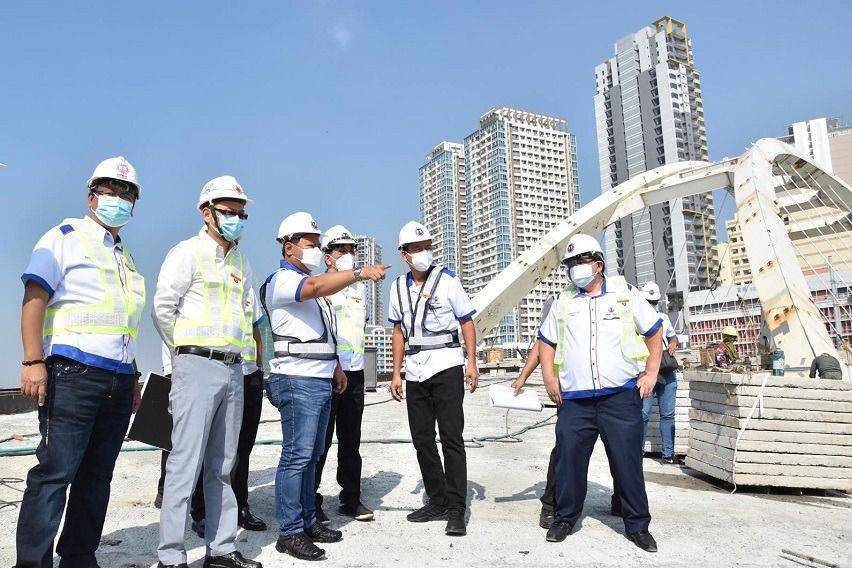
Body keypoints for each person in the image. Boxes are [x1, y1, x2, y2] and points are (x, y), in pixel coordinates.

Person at [16, 157, 146, 568]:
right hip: (72, 373)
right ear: (92, 196)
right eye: (111, 190)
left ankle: (78, 555)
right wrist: (33, 360)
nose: (119, 198)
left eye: (128, 193)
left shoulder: (125, 257)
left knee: (97, 477)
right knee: (54, 475)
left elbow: (124, 322)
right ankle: (33, 563)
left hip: (118, 377)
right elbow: (35, 298)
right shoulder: (63, 237)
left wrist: (134, 375)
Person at [262, 212, 389, 561]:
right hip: (296, 378)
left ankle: (307, 519)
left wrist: (336, 368)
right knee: (297, 456)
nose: (316, 249)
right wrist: (360, 272)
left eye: (318, 244)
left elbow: (323, 335)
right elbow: (316, 286)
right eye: (311, 244)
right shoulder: (283, 280)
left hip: (320, 378)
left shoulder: (314, 292)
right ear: (290, 248)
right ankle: (289, 531)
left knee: (313, 455)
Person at [152, 175, 261, 568]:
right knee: (185, 464)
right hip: (195, 365)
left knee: (222, 466)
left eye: (240, 214)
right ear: (207, 212)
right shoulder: (187, 253)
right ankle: (171, 556)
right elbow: (162, 310)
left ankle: (222, 549)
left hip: (234, 371)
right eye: (228, 212)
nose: (235, 219)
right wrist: (183, 354)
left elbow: (249, 319)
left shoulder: (242, 262)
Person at [537, 234, 663, 552]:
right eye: (569, 265)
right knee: (569, 461)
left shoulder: (625, 295)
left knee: (627, 463)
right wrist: (549, 378)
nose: (574, 270)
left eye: (579, 263)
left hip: (619, 397)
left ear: (597, 264)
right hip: (575, 400)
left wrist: (650, 373)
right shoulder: (563, 301)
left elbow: (654, 331)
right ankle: (565, 518)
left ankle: (636, 525)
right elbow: (546, 343)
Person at [388, 221, 479, 537]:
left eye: (426, 246)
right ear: (404, 254)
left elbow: (466, 321)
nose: (422, 252)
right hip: (415, 370)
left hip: (446, 364)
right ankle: (437, 499)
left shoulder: (448, 281)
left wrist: (471, 362)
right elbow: (398, 331)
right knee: (422, 438)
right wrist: (397, 372)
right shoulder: (398, 287)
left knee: (452, 437)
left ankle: (456, 507)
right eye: (415, 248)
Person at [155, 293, 268, 534]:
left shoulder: (243, 283)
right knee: (201, 449)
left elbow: (255, 328)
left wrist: (259, 363)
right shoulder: (200, 278)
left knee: (240, 449)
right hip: (204, 370)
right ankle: (201, 511)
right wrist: (172, 368)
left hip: (246, 374)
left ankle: (240, 506)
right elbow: (171, 321)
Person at [512, 295, 625, 528]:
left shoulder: (610, 299)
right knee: (564, 450)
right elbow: (541, 344)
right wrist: (523, 377)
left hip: (609, 390)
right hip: (570, 392)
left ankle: (622, 499)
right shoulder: (559, 303)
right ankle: (552, 504)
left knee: (620, 447)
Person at [314, 225, 374, 524]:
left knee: (351, 441)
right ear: (328, 257)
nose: (349, 255)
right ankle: (311, 501)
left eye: (352, 250)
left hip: (356, 373)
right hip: (328, 373)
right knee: (320, 441)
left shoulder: (359, 288)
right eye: (342, 251)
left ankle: (351, 499)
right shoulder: (321, 287)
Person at [639, 282, 681, 465]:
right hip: (645, 371)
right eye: (649, 301)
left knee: (668, 415)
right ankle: (637, 450)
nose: (652, 305)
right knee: (642, 414)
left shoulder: (663, 317)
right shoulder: (635, 320)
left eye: (654, 302)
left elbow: (672, 336)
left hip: (665, 371)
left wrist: (673, 343)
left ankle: (668, 454)